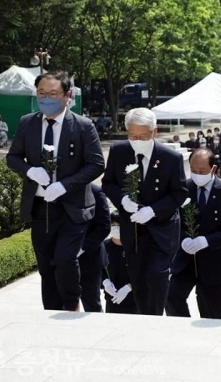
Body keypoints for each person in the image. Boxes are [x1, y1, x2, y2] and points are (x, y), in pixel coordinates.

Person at [6, 71, 105, 311]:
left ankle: (71, 305)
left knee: (65, 259)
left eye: (53, 94)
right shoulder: (27, 123)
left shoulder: (82, 126)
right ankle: (50, 311)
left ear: (67, 95)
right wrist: (30, 171)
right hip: (40, 207)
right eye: (41, 93)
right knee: (46, 265)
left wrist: (65, 185)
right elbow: (13, 157)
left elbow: (96, 164)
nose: (46, 99)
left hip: (72, 208)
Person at [102, 107, 188, 316]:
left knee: (157, 276)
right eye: (132, 136)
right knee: (138, 279)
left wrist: (153, 211)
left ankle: (155, 318)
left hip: (161, 230)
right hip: (132, 230)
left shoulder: (170, 157)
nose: (137, 140)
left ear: (154, 131)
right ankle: (143, 318)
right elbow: (108, 183)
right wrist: (122, 200)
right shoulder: (119, 151)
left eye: (142, 136)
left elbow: (179, 193)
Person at [166, 149, 221, 319]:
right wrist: (182, 239)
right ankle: (184, 328)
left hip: (216, 262)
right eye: (193, 170)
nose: (197, 174)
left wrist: (207, 241)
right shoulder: (183, 188)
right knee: (171, 296)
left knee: (214, 314)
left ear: (213, 168)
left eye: (202, 171)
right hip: (186, 260)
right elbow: (171, 219)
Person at [78, 184, 110, 312]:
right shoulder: (63, 188)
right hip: (64, 257)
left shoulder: (96, 191)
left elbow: (104, 227)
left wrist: (82, 248)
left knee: (91, 304)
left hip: (90, 257)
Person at [102, 211, 138, 314]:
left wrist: (129, 287)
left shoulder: (135, 247)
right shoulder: (104, 246)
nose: (116, 229)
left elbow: (143, 272)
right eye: (113, 226)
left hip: (133, 300)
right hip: (112, 298)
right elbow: (98, 269)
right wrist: (105, 282)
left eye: (119, 226)